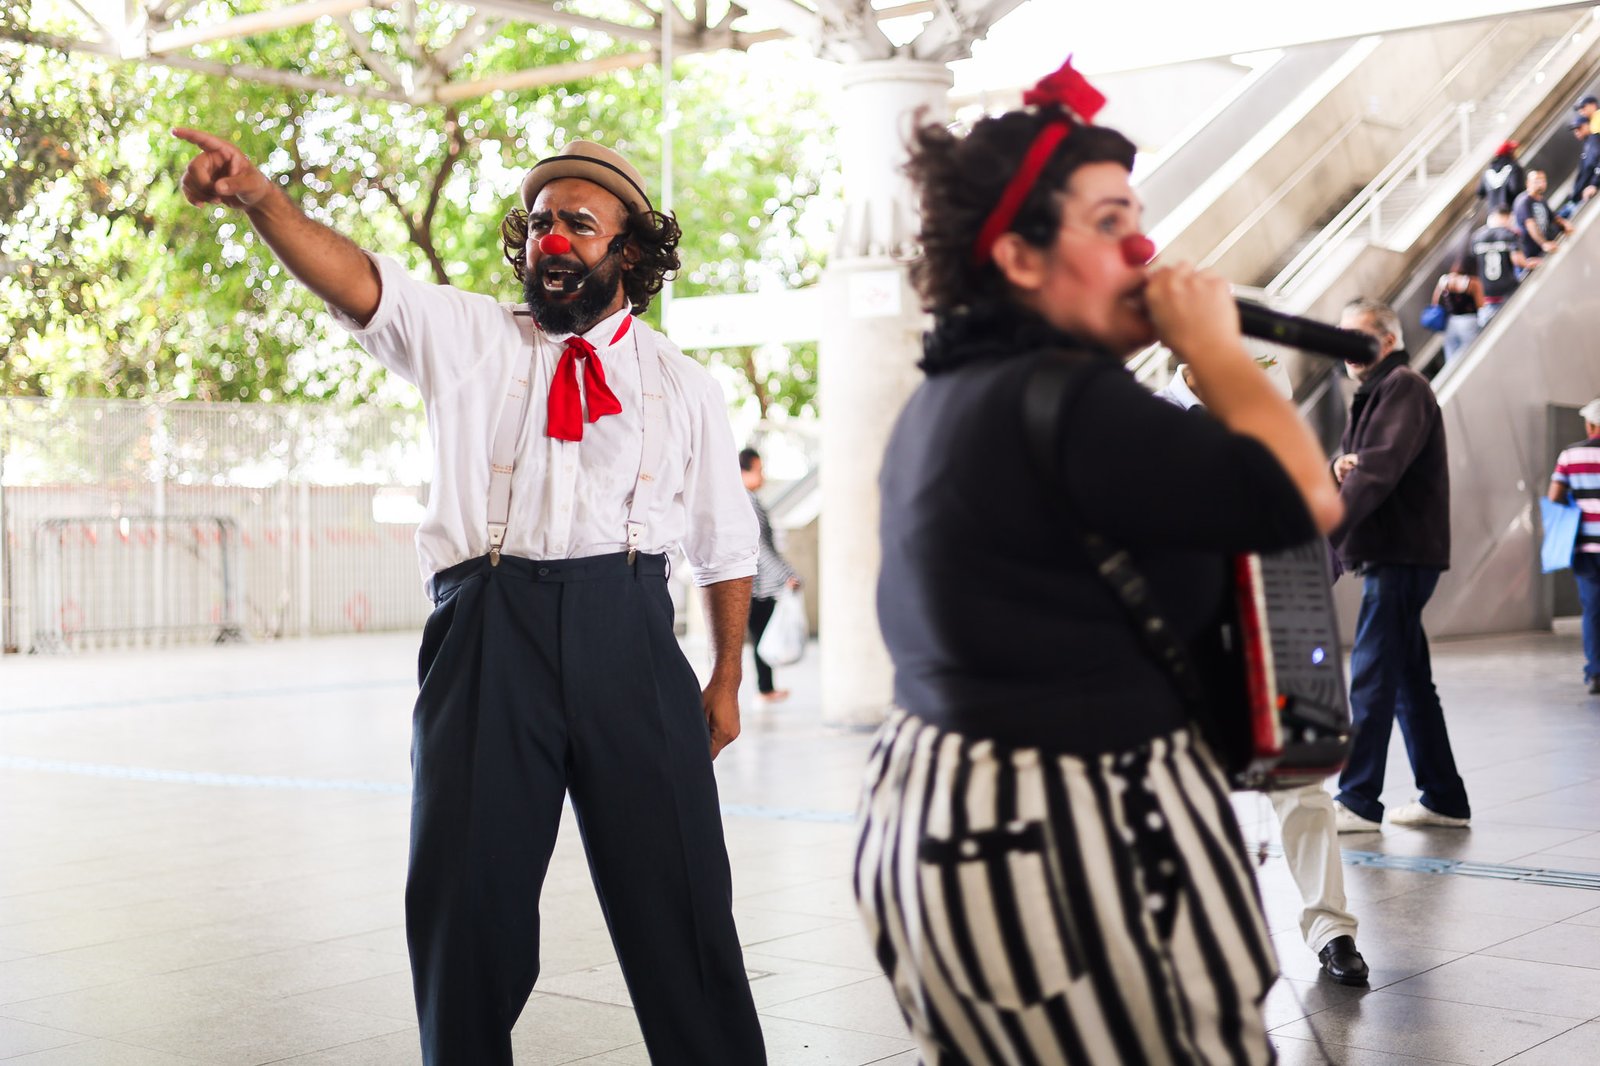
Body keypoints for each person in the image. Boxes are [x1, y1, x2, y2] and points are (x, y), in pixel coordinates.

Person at [172, 129, 767, 1065]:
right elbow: (356, 277)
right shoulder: (466, 336)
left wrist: (727, 674)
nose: (553, 241)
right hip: (488, 632)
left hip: (633, 632)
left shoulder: (682, 385)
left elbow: (724, 543)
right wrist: (261, 199)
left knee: (683, 904)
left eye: (579, 222)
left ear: (631, 250)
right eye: (538, 224)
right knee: (465, 907)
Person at [854, 58, 1345, 1065]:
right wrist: (1215, 347)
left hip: (950, 825)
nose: (1146, 250)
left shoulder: (950, 399)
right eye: (1112, 223)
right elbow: (1304, 495)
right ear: (1021, 258)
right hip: (1075, 844)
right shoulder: (1068, 401)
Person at [1155, 369, 1369, 988]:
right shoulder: (1150, 422)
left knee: (1302, 787)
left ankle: (1332, 930)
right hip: (1190, 641)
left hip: (1276, 628)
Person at [1330, 298, 1471, 834]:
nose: (1346, 346)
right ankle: (1445, 797)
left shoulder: (1403, 386)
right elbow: (1355, 467)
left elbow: (1377, 471)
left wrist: (1328, 535)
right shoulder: (1375, 393)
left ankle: (1358, 799)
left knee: (1371, 672)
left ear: (1388, 341)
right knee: (1410, 680)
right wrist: (1333, 467)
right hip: (1398, 552)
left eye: (1357, 335)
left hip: (1402, 554)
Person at [739, 446, 801, 702]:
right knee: (762, 634)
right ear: (746, 471)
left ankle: (766, 687)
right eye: (759, 470)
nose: (762, 476)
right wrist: (786, 574)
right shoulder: (748, 502)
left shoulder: (746, 500)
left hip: (758, 582)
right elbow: (760, 547)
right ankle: (765, 689)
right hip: (759, 584)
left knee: (761, 634)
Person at [1549, 398, 1600, 695]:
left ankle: (1596, 672)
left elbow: (1554, 495)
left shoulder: (1570, 455)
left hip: (1585, 547)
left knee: (1592, 610)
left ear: (1590, 425)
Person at [1469, 207, 1526, 325]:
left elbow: (1475, 262)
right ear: (1507, 218)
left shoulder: (1476, 237)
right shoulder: (1509, 234)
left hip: (1489, 298)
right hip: (1509, 292)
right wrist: (1529, 263)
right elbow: (1517, 260)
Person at [1512, 170, 1571, 273]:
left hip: (1543, 250)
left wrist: (1565, 224)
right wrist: (1544, 243)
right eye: (1536, 181)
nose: (1540, 183)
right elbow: (1530, 225)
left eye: (1543, 180)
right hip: (1532, 255)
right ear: (1528, 183)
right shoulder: (1524, 202)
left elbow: (1553, 218)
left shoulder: (1540, 200)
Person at [1429, 258, 1483, 364]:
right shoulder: (1469, 282)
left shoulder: (1444, 280)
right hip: (1468, 320)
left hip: (1451, 321)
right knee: (1471, 352)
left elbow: (1435, 302)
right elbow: (1480, 303)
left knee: (1451, 356)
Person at [1477, 140, 1525, 214]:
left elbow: (1480, 192)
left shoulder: (1488, 172)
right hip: (1511, 213)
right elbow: (1516, 189)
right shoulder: (1514, 168)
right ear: (1510, 153)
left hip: (1493, 215)